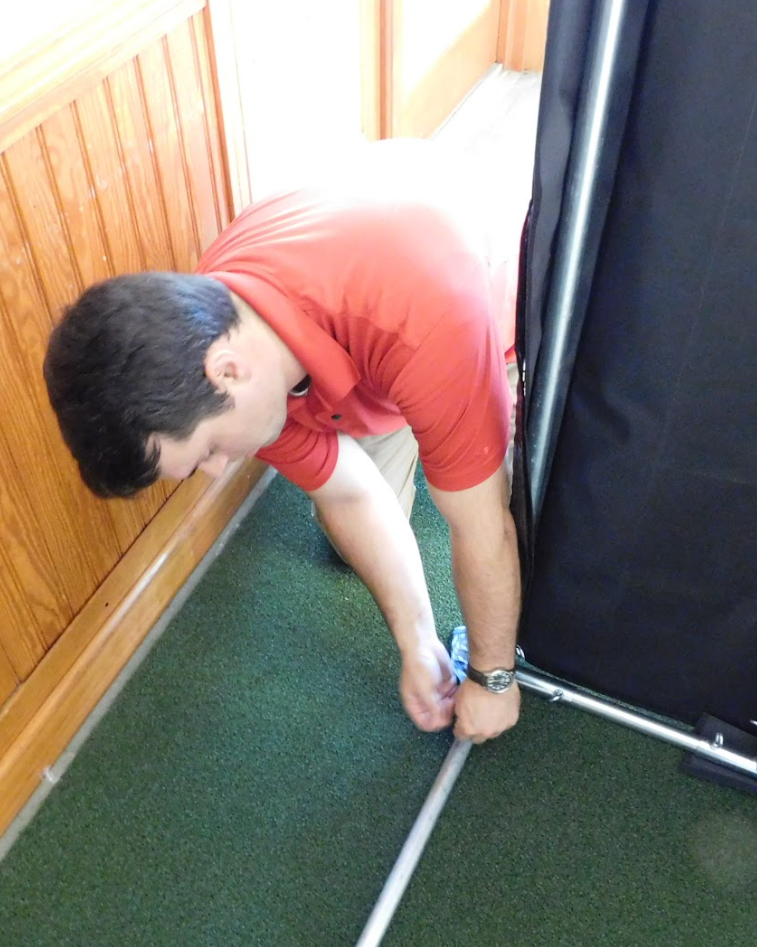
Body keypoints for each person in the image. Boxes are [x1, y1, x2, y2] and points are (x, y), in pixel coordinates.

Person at [43, 141, 525, 745]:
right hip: (379, 342)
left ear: (226, 371)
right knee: (351, 539)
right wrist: (419, 641)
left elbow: (485, 532)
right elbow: (350, 496)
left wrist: (493, 677)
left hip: (481, 297)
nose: (219, 469)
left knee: (507, 519)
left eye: (208, 452)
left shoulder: (428, 316)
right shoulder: (212, 335)